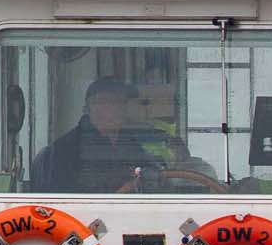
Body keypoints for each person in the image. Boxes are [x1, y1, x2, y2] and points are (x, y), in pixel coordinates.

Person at [28, 75, 197, 193]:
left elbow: (154, 173)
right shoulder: (64, 150)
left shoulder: (130, 141)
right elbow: (63, 197)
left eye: (123, 103)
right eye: (114, 103)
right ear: (93, 107)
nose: (122, 108)